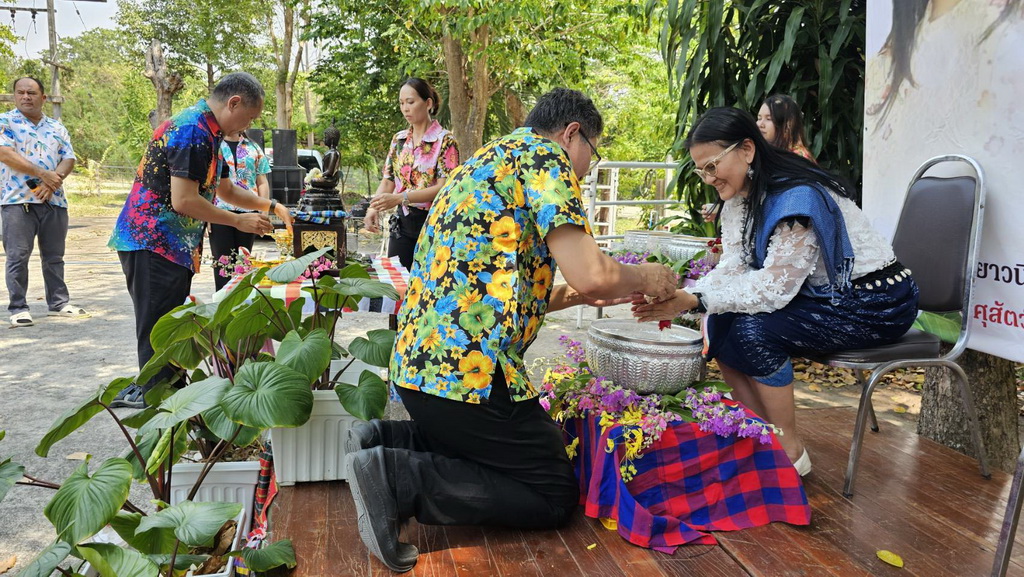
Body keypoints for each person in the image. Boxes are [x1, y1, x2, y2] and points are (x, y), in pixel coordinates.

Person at [344, 88, 677, 573]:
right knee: (551, 490)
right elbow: (592, 273)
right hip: (468, 373)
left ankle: (383, 440)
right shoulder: (547, 159)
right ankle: (396, 477)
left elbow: (501, 287)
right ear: (572, 134)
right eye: (593, 152)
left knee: (498, 450)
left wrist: (582, 294)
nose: (588, 169)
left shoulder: (488, 159)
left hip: (421, 366)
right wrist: (647, 276)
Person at [632, 107, 920, 477]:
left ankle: (789, 450)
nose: (709, 178)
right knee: (718, 323)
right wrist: (687, 296)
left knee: (753, 331)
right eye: (701, 170)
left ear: (747, 149)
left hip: (875, 302)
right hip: (823, 297)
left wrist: (695, 299)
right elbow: (734, 265)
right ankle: (758, 436)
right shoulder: (740, 197)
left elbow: (776, 287)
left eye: (713, 166)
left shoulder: (797, 197)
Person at [108, 72, 293, 409]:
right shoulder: (192, 130)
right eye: (250, 117)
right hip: (153, 241)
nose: (249, 125)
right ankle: (155, 402)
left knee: (172, 325)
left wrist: (271, 205)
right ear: (233, 103)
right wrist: (237, 220)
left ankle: (168, 394)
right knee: (159, 327)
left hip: (173, 246)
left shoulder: (210, 132)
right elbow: (184, 201)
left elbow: (226, 189)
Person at [0, 77, 86, 327]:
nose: (25, 97)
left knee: (54, 256)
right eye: (20, 92)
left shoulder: (56, 127)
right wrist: (42, 173)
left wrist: (51, 182)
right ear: (15, 96)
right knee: (18, 256)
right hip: (17, 201)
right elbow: (5, 154)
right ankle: (18, 307)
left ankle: (58, 303)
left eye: (31, 93)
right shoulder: (5, 122)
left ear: (43, 97)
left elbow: (68, 158)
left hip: (54, 201)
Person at [362, 78, 460, 271]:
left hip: (434, 225)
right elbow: (388, 181)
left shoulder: (446, 141)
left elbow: (444, 188)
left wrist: (401, 198)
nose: (405, 108)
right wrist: (373, 208)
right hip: (402, 225)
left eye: (410, 102)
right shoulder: (399, 140)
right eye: (401, 103)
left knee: (429, 283)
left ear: (428, 103)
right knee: (397, 281)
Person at [210, 130, 272, 291]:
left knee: (244, 262)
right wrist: (206, 215)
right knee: (223, 264)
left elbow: (262, 182)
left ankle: (242, 300)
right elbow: (206, 183)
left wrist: (264, 211)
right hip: (219, 212)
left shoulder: (253, 147)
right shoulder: (213, 144)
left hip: (249, 211)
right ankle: (223, 301)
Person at [756, 94, 815, 162]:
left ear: (787, 125)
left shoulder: (798, 158)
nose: (760, 124)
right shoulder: (764, 151)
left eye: (769, 119)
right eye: (759, 118)